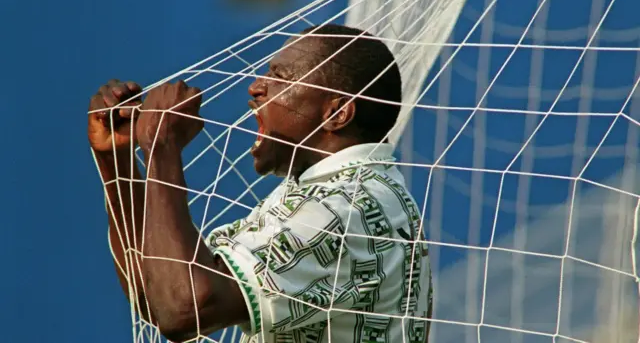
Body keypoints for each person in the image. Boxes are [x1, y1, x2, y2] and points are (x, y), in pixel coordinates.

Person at [88, 24, 432, 343]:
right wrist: (116, 163)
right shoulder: (322, 194)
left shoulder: (347, 208)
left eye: (279, 76)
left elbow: (183, 307)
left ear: (336, 113)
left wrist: (162, 145)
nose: (255, 87)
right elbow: (158, 293)